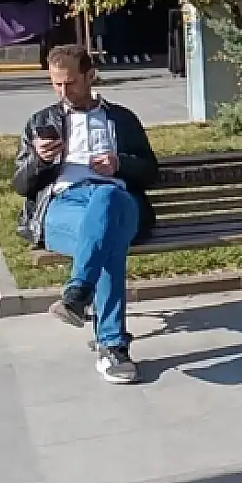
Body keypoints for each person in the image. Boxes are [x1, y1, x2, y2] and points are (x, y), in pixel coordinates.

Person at [13, 45, 158, 383]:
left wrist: (119, 164)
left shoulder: (121, 118)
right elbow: (21, 184)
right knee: (107, 240)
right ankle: (112, 345)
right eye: (56, 85)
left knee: (107, 203)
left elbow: (151, 171)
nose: (64, 92)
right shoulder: (41, 122)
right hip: (64, 206)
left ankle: (78, 293)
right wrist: (40, 161)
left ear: (90, 76)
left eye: (71, 83)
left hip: (119, 202)